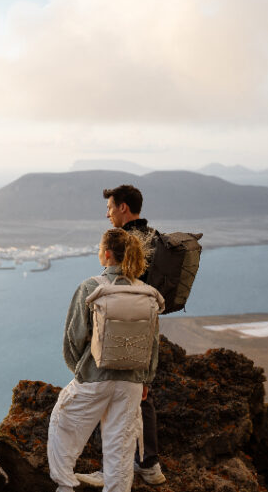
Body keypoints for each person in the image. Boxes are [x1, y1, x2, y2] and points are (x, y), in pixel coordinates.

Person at [47, 228, 161, 492]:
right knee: (120, 448)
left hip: (94, 377)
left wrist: (81, 370)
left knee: (62, 426)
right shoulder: (147, 292)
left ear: (107, 254)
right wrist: (145, 380)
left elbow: (73, 339)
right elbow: (153, 344)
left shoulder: (90, 287)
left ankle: (65, 486)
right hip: (132, 382)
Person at [84, 184, 165, 486]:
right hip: (146, 325)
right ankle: (144, 464)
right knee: (139, 396)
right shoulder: (153, 236)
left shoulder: (129, 241)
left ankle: (131, 467)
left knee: (125, 400)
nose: (107, 214)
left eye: (110, 207)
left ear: (123, 208)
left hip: (125, 331)